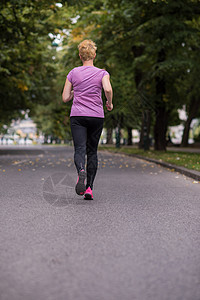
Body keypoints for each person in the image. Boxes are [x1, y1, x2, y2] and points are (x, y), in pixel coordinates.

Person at [62, 39, 113, 200]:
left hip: (77, 116)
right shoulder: (102, 73)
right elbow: (107, 88)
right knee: (92, 151)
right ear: (94, 55)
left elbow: (65, 98)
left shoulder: (73, 73)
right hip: (96, 116)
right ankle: (89, 188)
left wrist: (73, 93)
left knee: (79, 149)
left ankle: (81, 172)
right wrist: (109, 103)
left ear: (80, 56)